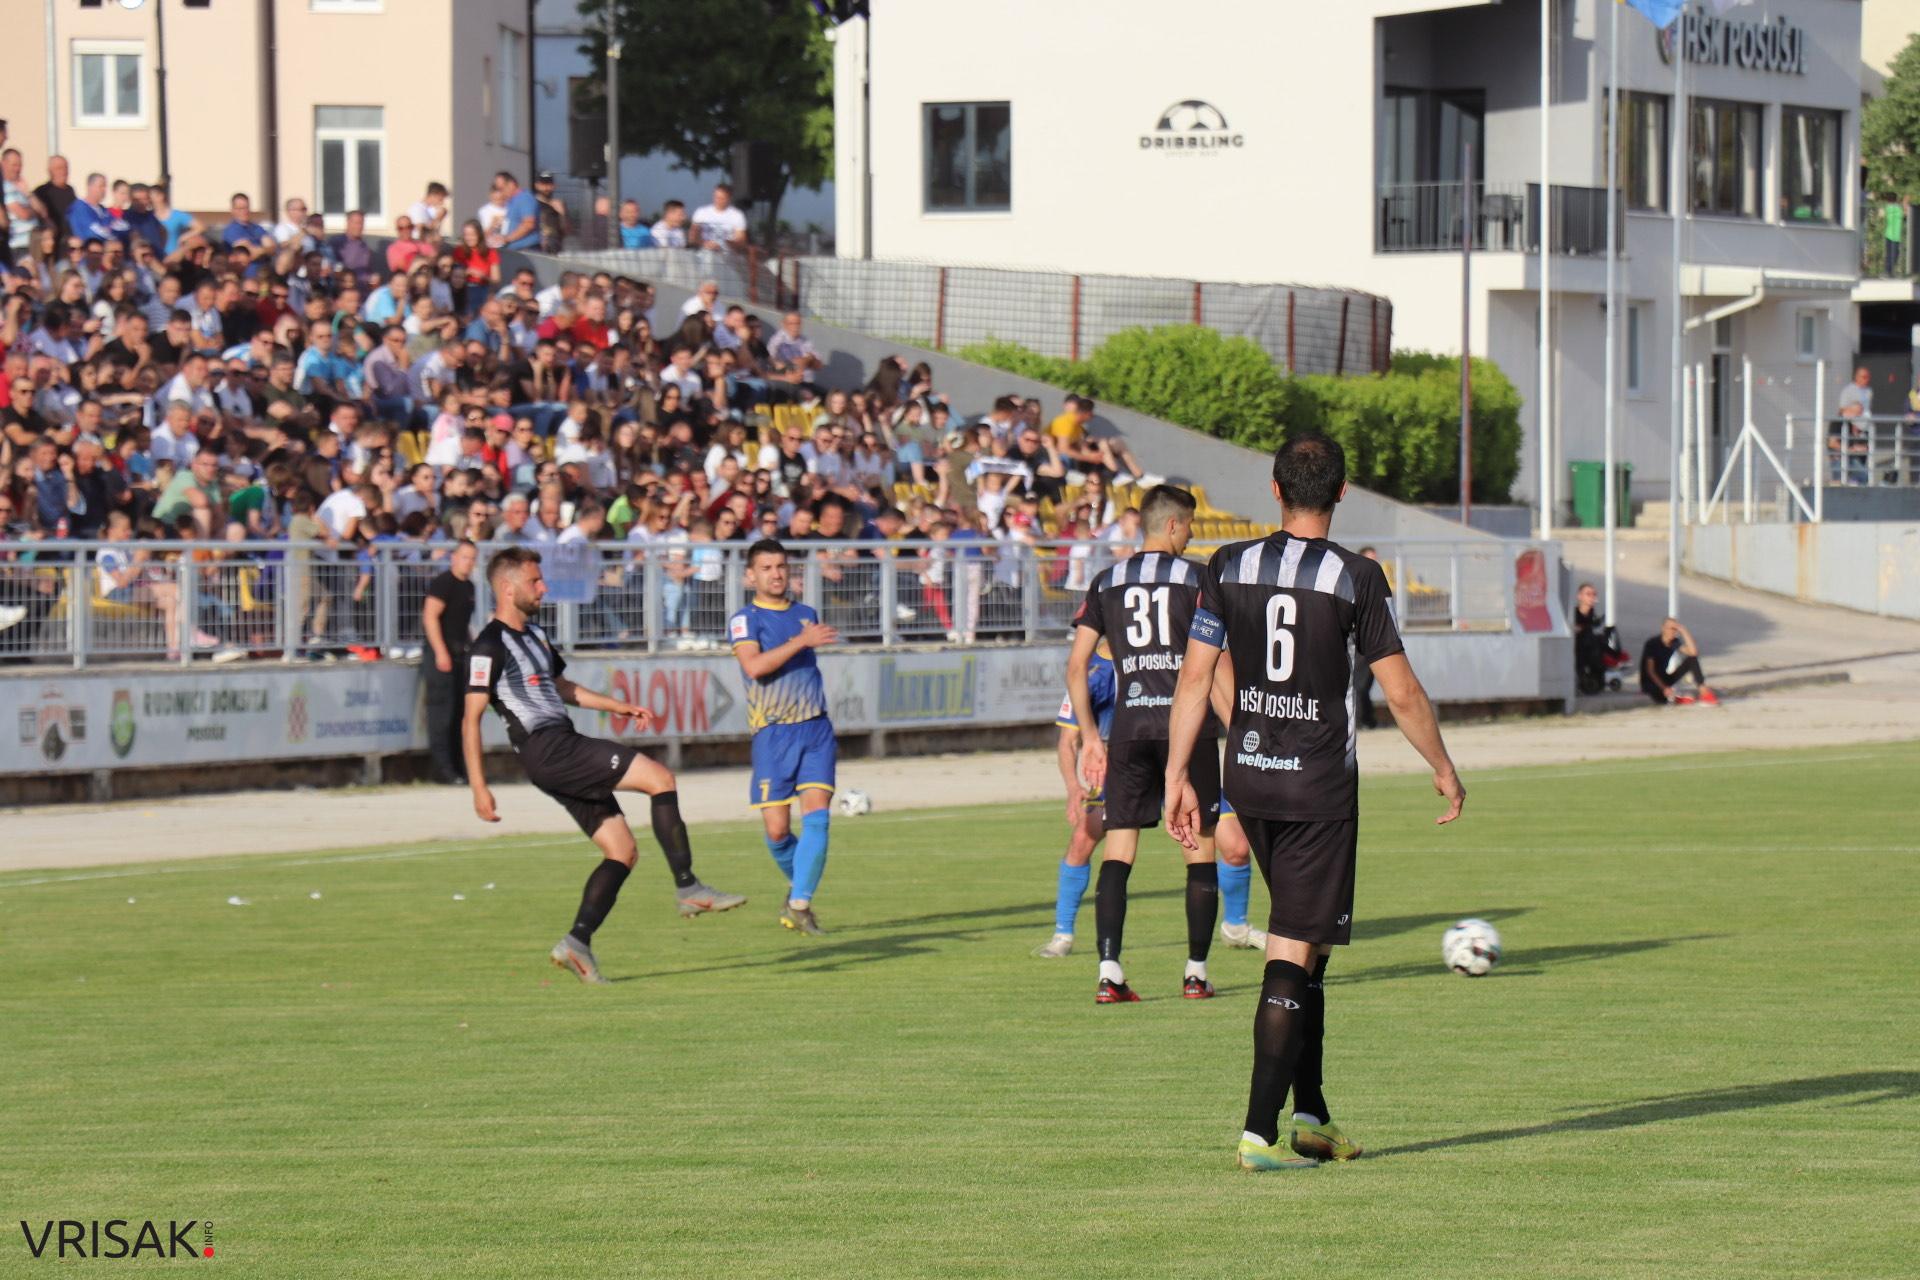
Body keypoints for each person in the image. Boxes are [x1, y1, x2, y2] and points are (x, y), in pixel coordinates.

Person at [1162, 432, 1465, 1172]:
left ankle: (1313, 1115)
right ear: (1342, 491)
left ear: (1273, 489)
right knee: (1293, 948)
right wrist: (1444, 766)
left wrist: (1180, 775)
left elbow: (1196, 679)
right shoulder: (1357, 577)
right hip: (1317, 786)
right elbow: (1401, 690)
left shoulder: (1228, 564)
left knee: (1312, 945)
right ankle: (1259, 1133)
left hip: (1250, 777)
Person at [464, 547, 746, 984]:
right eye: (536, 582)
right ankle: (689, 887)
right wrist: (479, 788)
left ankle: (577, 943)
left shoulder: (536, 636)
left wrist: (616, 705)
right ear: (507, 587)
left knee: (623, 852)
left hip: (561, 744)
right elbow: (471, 718)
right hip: (547, 749)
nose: (545, 588)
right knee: (659, 778)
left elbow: (562, 687)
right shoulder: (487, 646)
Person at [1066, 484, 1222, 1004]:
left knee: (1119, 851)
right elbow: (1216, 663)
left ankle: (1109, 973)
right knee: (1198, 850)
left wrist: (1091, 737)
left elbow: (1075, 668)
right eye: (1191, 524)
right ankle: (1195, 973)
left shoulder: (1107, 581)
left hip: (1129, 730)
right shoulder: (1197, 579)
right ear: (1175, 525)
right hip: (1187, 729)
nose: (1193, 533)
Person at [728, 539, 840, 935]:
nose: (776, 574)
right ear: (750, 575)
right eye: (767, 568)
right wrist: (801, 642)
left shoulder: (806, 613)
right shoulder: (745, 619)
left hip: (815, 729)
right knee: (777, 831)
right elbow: (754, 667)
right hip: (772, 734)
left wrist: (804, 638)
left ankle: (800, 901)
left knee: (818, 818)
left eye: (781, 567)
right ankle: (799, 889)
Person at [1038, 636, 1116, 957]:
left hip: (1166, 761)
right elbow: (1067, 742)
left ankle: (1235, 924)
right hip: (1116, 771)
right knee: (1084, 836)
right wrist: (1073, 788)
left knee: (1232, 843)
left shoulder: (1163, 657)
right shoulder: (1092, 675)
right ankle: (1063, 934)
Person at [421, 540, 478, 784]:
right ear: (454, 557)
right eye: (465, 557)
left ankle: (458, 768)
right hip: (440, 655)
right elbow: (430, 616)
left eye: (472, 558)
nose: (468, 562)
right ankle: (442, 769)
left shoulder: (469, 587)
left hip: (460, 654)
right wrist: (441, 652)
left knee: (458, 715)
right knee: (441, 715)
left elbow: (463, 624)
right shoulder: (444, 582)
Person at [1639, 617, 1719, 706]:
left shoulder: (1674, 642)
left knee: (1692, 659)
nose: (1673, 631)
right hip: (1650, 682)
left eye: (1675, 629)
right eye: (1671, 628)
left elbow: (1693, 652)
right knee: (1660, 699)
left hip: (1665, 678)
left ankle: (1703, 691)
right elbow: (1650, 670)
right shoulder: (1653, 643)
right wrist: (1664, 688)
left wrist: (1684, 631)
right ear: (1663, 628)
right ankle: (1676, 699)